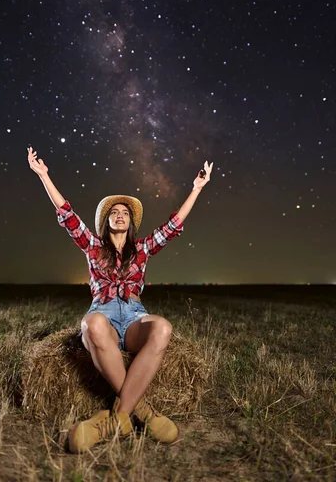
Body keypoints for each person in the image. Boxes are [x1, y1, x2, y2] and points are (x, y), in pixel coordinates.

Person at [27, 146, 213, 453]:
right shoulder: (92, 246)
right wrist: (44, 175)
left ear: (131, 222)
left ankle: (115, 419)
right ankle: (142, 410)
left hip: (134, 317)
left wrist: (196, 189)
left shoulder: (141, 250)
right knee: (92, 325)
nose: (120, 215)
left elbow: (173, 226)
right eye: (114, 212)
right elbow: (67, 216)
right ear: (106, 221)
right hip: (104, 315)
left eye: (125, 212)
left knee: (163, 328)